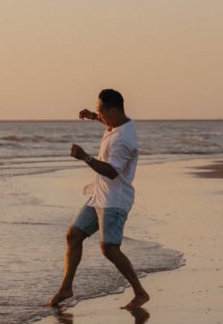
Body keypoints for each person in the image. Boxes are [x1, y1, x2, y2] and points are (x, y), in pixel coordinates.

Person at [48, 89, 149, 309]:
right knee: (73, 235)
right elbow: (110, 124)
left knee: (109, 248)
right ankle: (66, 288)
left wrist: (85, 157)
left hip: (115, 200)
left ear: (113, 111)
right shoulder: (121, 123)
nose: (99, 115)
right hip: (99, 195)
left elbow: (112, 172)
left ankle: (140, 292)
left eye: (100, 112)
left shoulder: (123, 139)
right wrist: (94, 117)